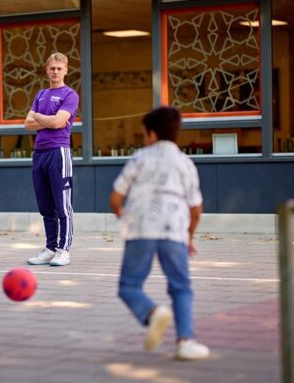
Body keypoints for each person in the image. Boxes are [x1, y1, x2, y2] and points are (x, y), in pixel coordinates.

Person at [109, 106, 210, 360]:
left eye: (144, 134)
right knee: (181, 287)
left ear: (152, 135)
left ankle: (153, 313)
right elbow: (196, 208)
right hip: (174, 230)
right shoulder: (185, 163)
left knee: (129, 286)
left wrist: (124, 218)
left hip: (140, 229)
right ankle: (185, 341)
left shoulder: (139, 158)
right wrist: (189, 235)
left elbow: (116, 197)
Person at [24, 52, 79, 267]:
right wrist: (43, 119)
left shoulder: (70, 95)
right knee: (45, 205)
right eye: (52, 68)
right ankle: (49, 248)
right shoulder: (41, 94)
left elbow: (57, 123)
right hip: (39, 153)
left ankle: (63, 250)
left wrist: (38, 117)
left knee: (63, 205)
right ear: (47, 70)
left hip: (59, 152)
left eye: (59, 68)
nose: (55, 72)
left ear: (66, 70)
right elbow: (27, 124)